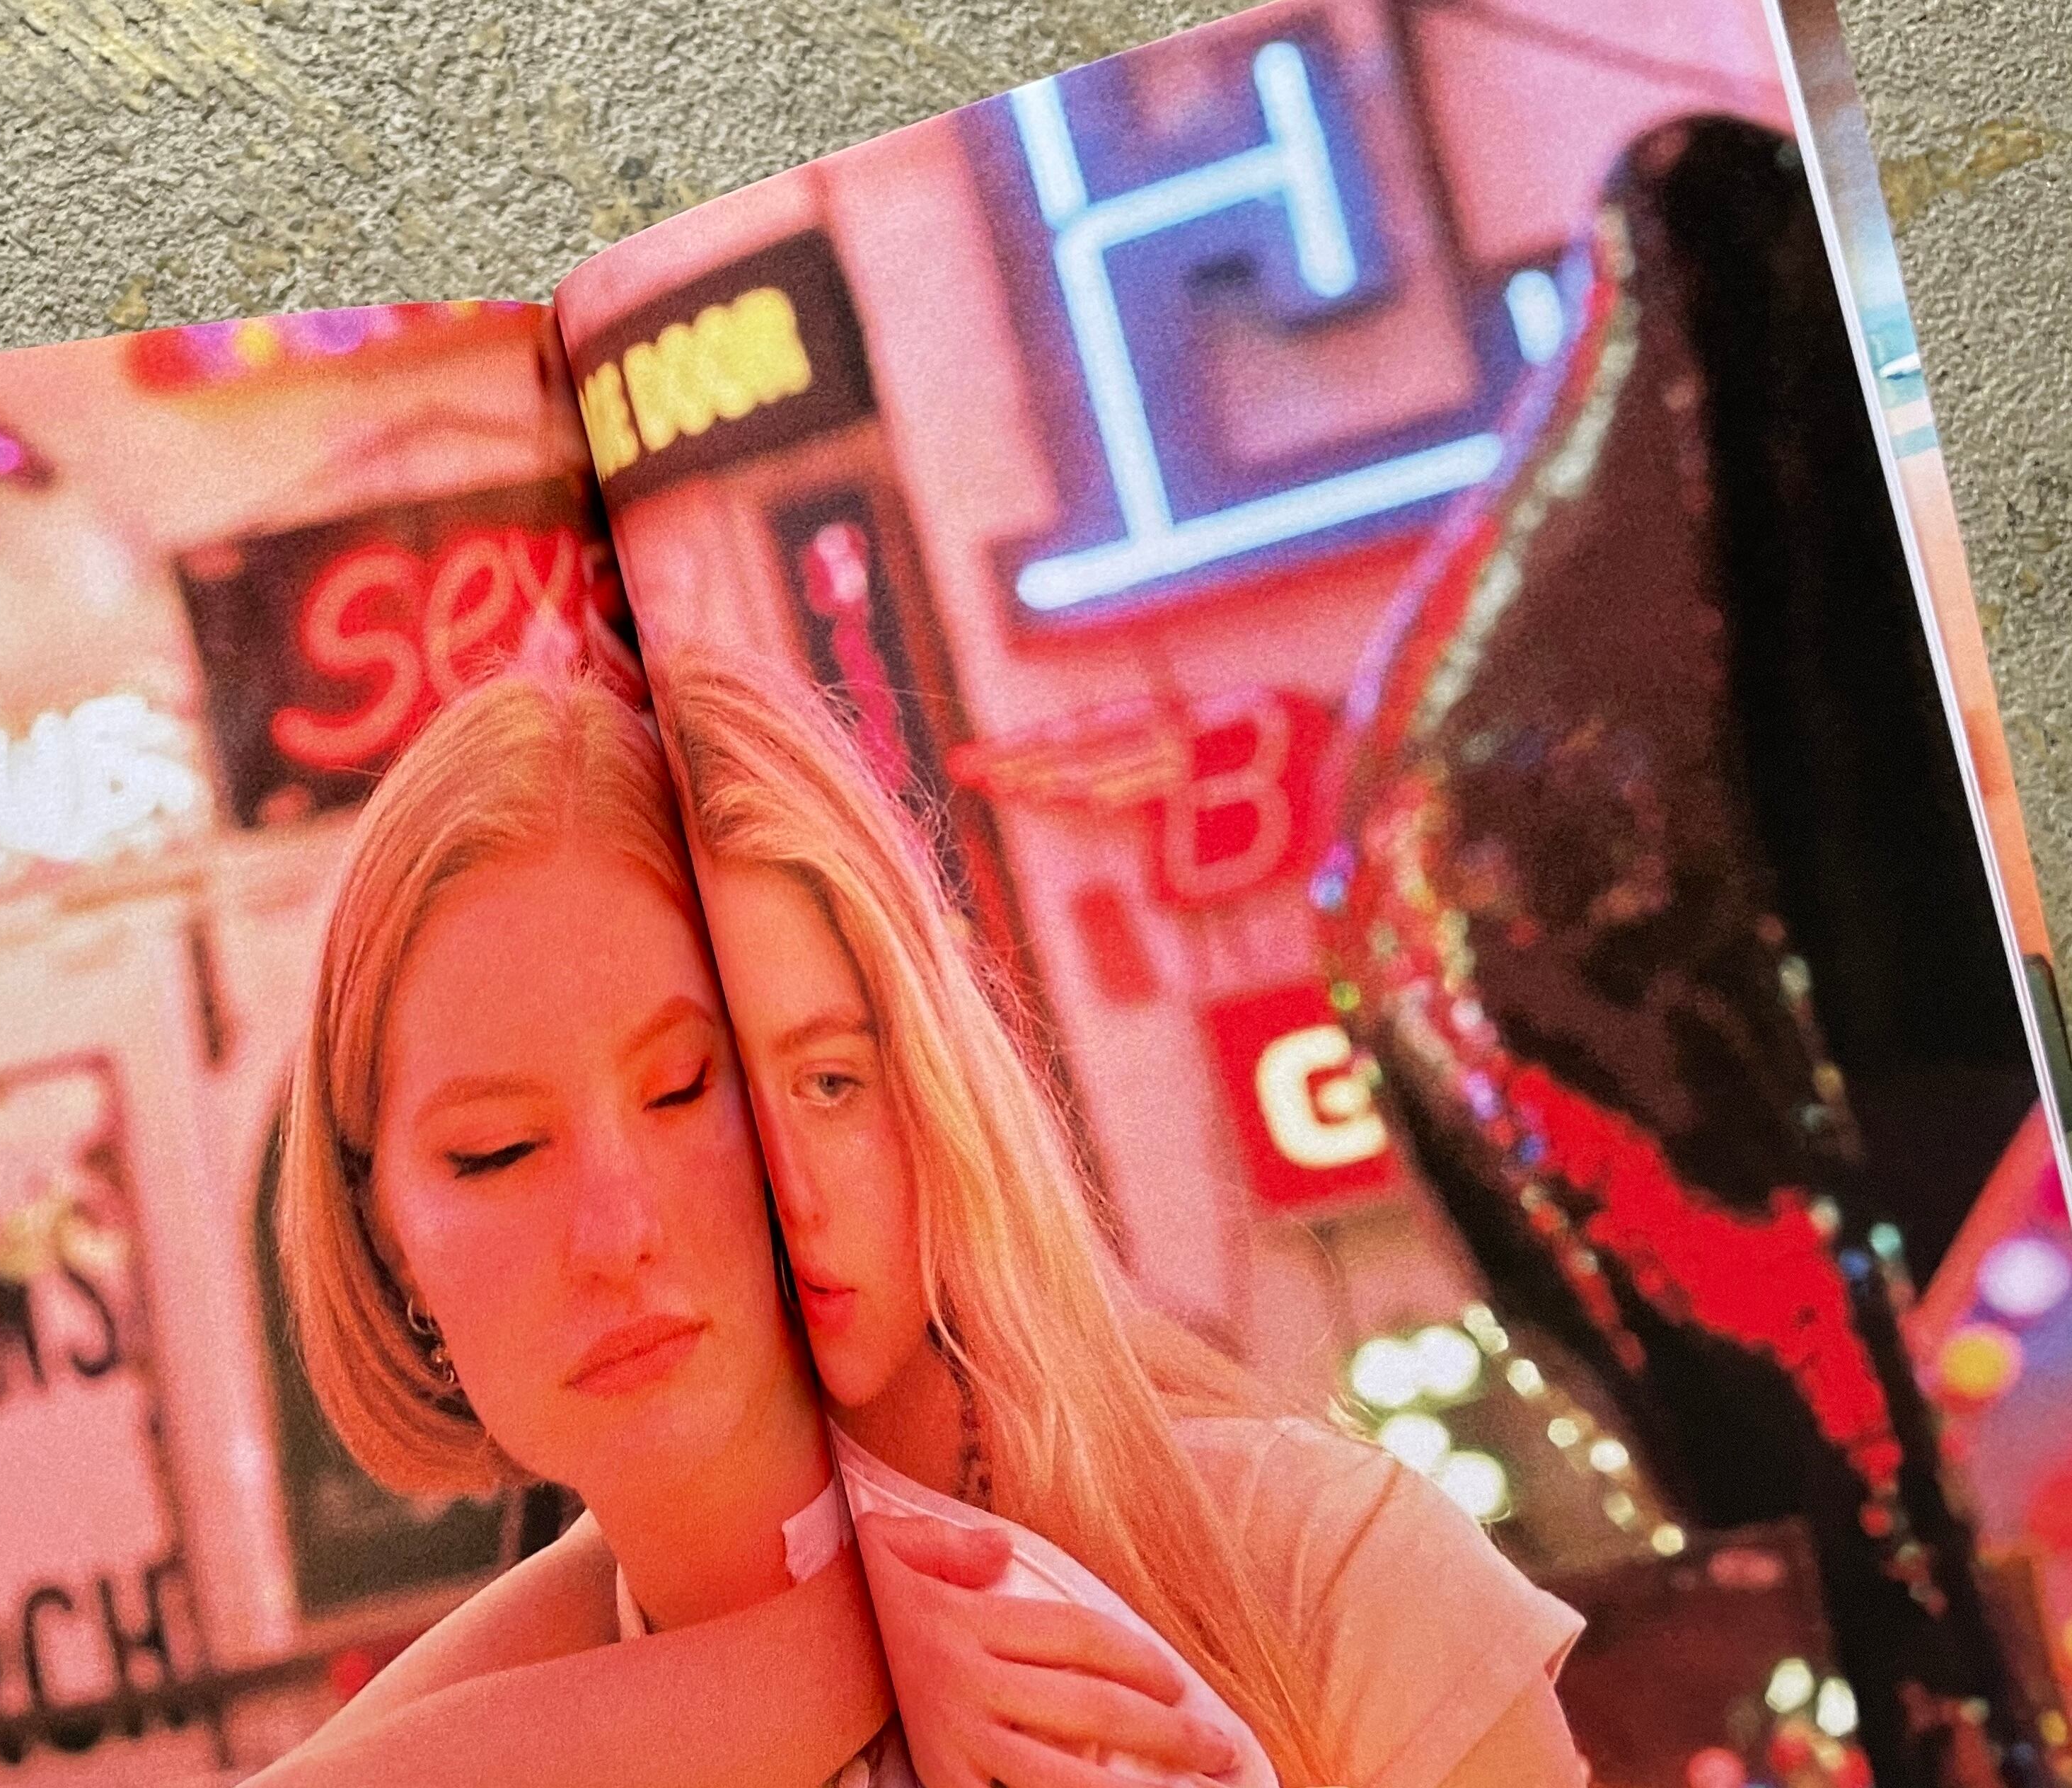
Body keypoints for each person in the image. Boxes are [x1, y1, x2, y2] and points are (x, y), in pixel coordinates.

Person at [257, 659, 1246, 1788]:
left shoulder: (1171, 1619)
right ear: (385, 1236)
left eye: (688, 1091)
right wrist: (824, 1661)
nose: (615, 1234)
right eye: (500, 1151)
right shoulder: (604, 1623)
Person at [651, 647, 1590, 1788]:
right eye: (689, 1104)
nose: (785, 1191)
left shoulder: (1318, 1551)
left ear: (935, 1083)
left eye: (831, 1083)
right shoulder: (594, 1652)